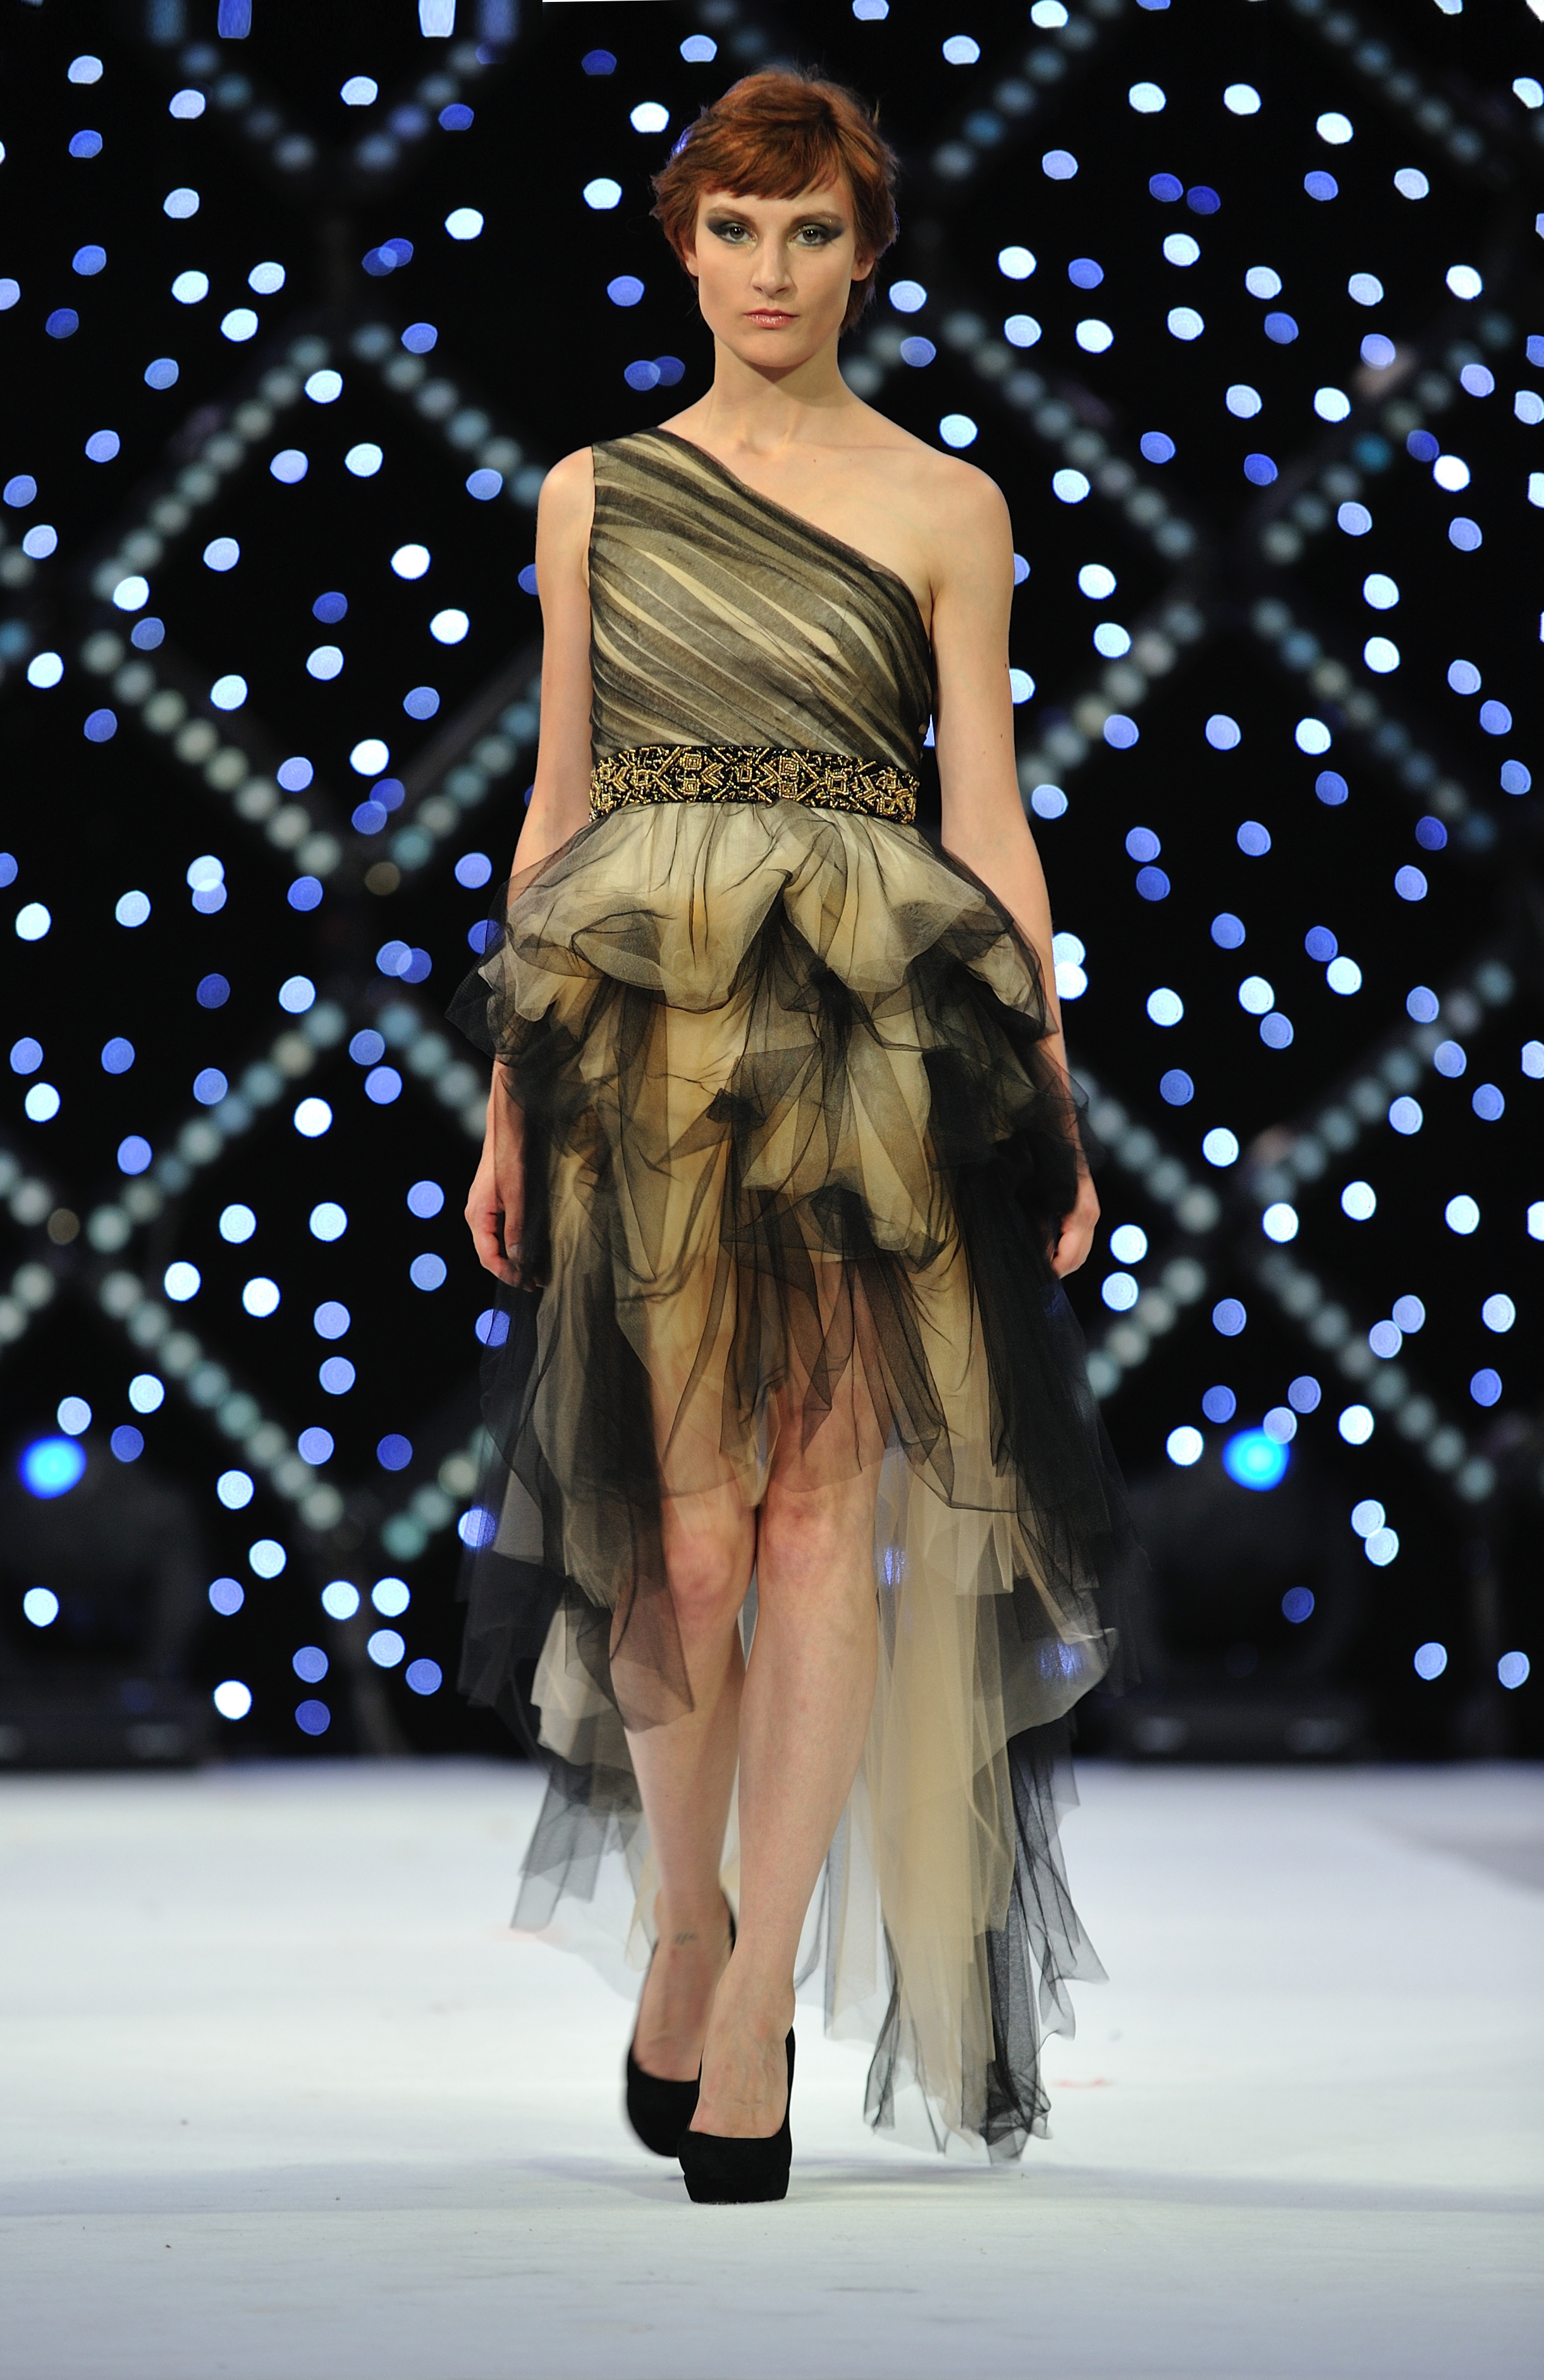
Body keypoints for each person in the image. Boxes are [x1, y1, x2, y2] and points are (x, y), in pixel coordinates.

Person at [451, 68, 1137, 2204]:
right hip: (642, 1044)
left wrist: (1046, 1082)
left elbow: (986, 815)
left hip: (863, 1044)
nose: (769, 270)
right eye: (733, 229)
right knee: (678, 1535)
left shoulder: (946, 505)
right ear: (682, 248)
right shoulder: (591, 492)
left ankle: (752, 2014)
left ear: (865, 253)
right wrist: (501, 1087)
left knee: (822, 1520)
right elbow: (557, 804)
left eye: (809, 230)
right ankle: (690, 1923)